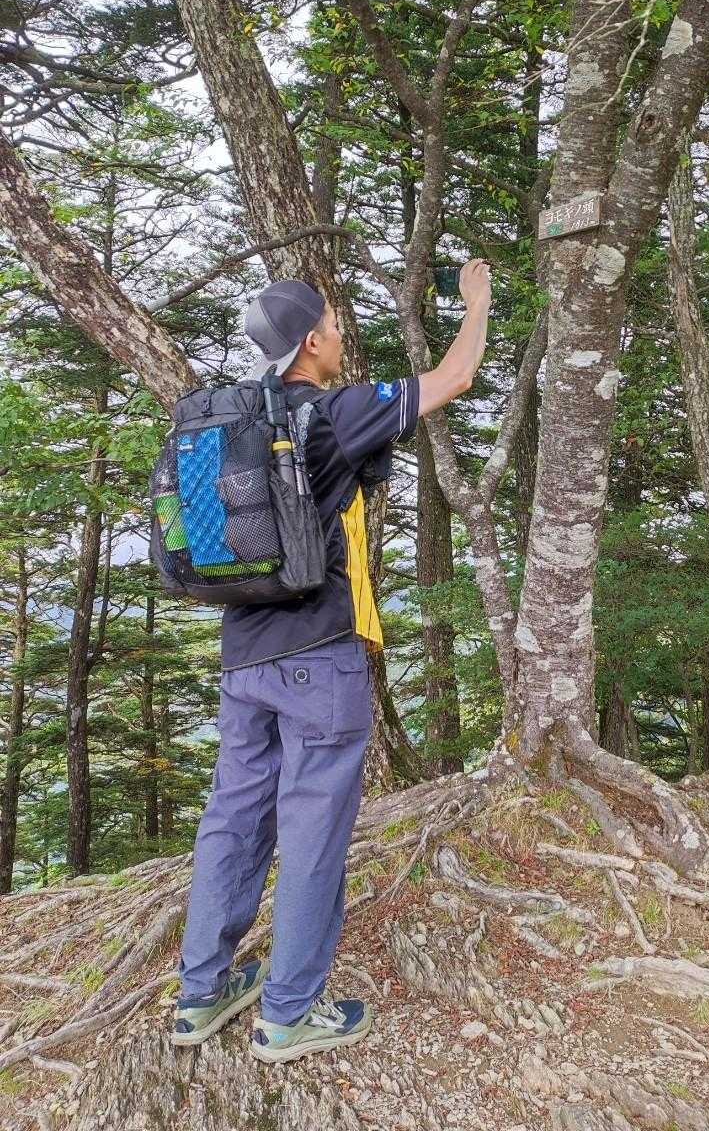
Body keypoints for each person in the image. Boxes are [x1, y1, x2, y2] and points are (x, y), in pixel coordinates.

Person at [170, 259, 491, 1064]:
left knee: (233, 819)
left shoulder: (236, 421)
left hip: (243, 657)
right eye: (335, 325)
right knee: (313, 833)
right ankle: (288, 1014)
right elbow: (454, 377)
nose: (342, 336)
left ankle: (201, 993)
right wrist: (476, 305)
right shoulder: (332, 413)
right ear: (311, 342)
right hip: (319, 657)